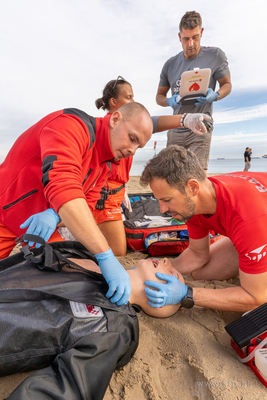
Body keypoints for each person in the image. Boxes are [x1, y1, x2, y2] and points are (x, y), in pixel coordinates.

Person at [0, 102, 153, 306]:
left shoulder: (104, 166)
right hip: (4, 211)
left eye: (138, 146)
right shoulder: (70, 125)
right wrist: (105, 254)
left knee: (72, 269)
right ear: (115, 119)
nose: (132, 150)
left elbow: (87, 208)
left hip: (40, 227)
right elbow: (63, 185)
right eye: (132, 139)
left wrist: (55, 215)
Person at [0, 239, 182, 399]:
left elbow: (71, 386)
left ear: (161, 303)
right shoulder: (89, 256)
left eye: (173, 274)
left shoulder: (115, 325)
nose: (167, 260)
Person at [91, 76, 212, 256]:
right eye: (129, 97)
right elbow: (152, 122)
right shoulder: (109, 125)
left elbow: (151, 123)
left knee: (117, 245)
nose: (134, 101)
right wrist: (185, 119)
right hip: (104, 195)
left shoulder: (127, 126)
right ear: (114, 102)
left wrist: (185, 119)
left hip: (116, 192)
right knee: (118, 251)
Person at [140, 144, 267, 313]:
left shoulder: (247, 220)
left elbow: (255, 298)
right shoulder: (193, 204)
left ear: (193, 188)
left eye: (167, 200)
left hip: (256, 223)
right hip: (254, 227)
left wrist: (187, 294)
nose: (162, 209)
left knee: (254, 295)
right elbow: (197, 254)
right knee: (201, 273)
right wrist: (157, 270)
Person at [156, 10, 232, 172]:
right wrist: (169, 100)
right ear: (179, 37)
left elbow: (227, 85)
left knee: (197, 176)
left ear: (201, 32)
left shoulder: (215, 55)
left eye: (195, 37)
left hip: (201, 124)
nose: (190, 44)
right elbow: (159, 97)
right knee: (171, 175)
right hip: (176, 126)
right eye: (186, 39)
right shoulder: (170, 64)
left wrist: (216, 95)